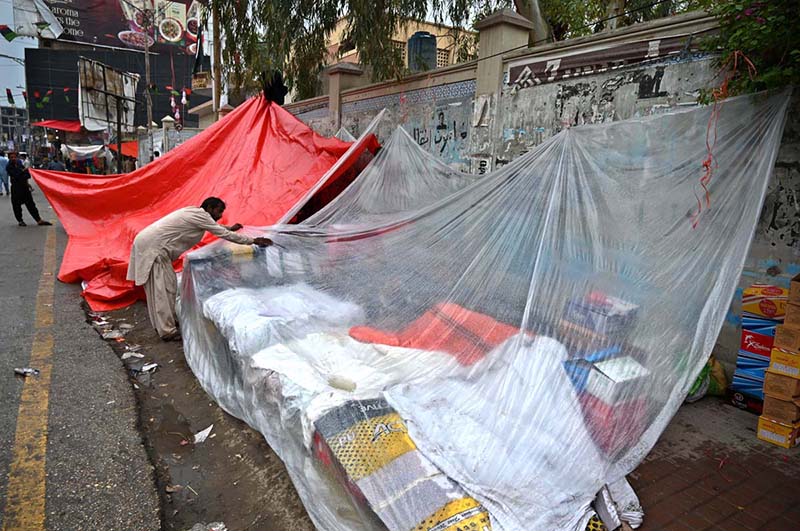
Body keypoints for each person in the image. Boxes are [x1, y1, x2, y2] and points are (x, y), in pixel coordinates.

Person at [127, 197, 273, 341]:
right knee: (162, 290)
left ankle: (165, 324)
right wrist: (253, 241)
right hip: (154, 249)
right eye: (219, 211)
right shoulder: (200, 215)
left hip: (150, 245)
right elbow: (222, 234)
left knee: (167, 286)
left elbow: (215, 227)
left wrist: (230, 228)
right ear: (209, 208)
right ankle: (167, 331)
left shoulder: (196, 213)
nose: (221, 215)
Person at [7, 152, 52, 227]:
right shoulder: (9, 166)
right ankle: (20, 220)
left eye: (14, 157)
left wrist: (23, 173)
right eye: (11, 157)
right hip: (16, 188)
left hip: (24, 187)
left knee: (31, 204)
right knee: (16, 205)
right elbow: (16, 175)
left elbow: (27, 175)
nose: (13, 159)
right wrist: (23, 172)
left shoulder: (18, 163)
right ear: (9, 158)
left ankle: (38, 220)